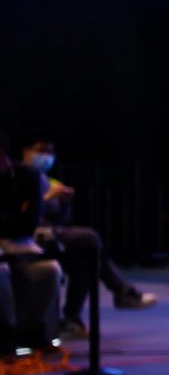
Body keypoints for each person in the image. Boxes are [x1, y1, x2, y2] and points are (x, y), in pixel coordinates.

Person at [18, 136, 157, 331]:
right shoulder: (18, 176)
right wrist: (46, 198)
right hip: (28, 235)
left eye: (50, 152)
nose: (46, 156)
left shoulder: (48, 180)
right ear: (26, 151)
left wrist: (64, 204)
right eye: (41, 150)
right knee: (89, 237)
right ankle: (122, 291)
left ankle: (72, 320)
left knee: (84, 260)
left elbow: (60, 220)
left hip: (51, 234)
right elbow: (21, 213)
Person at [0, 131, 64, 350]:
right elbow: (19, 219)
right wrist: (14, 216)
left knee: (50, 269)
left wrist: (10, 220)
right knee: (1, 271)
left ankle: (29, 331)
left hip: (20, 241)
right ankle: (7, 334)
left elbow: (28, 224)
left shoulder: (28, 176)